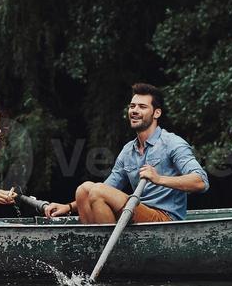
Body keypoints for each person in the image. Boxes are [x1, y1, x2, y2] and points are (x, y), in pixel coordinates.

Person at [44, 83, 208, 223]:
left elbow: (200, 182)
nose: (135, 110)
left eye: (142, 107)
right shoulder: (128, 150)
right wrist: (68, 207)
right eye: (132, 106)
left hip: (164, 219)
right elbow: (107, 187)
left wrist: (159, 179)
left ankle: (114, 256)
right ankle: (97, 250)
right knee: (84, 189)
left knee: (97, 192)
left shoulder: (172, 143)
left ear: (156, 113)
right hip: (136, 212)